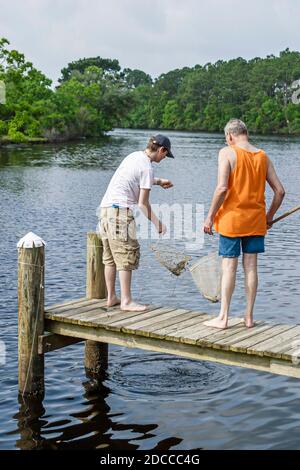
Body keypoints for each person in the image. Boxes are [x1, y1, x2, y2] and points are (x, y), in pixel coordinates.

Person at [203, 118, 285, 329]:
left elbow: (222, 188)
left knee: (229, 266)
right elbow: (280, 191)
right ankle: (249, 317)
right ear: (245, 133)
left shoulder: (227, 152)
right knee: (251, 267)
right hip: (255, 221)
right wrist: (268, 217)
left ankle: (223, 317)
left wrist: (210, 217)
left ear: (230, 136)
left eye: (226, 138)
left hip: (232, 221)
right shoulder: (263, 156)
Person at [98, 134, 174, 312]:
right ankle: (126, 301)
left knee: (110, 258)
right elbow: (143, 204)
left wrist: (158, 181)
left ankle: (111, 298)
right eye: (166, 155)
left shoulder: (134, 156)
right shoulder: (147, 167)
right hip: (120, 214)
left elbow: (136, 177)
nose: (164, 159)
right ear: (161, 150)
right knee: (126, 254)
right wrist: (158, 223)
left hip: (105, 211)